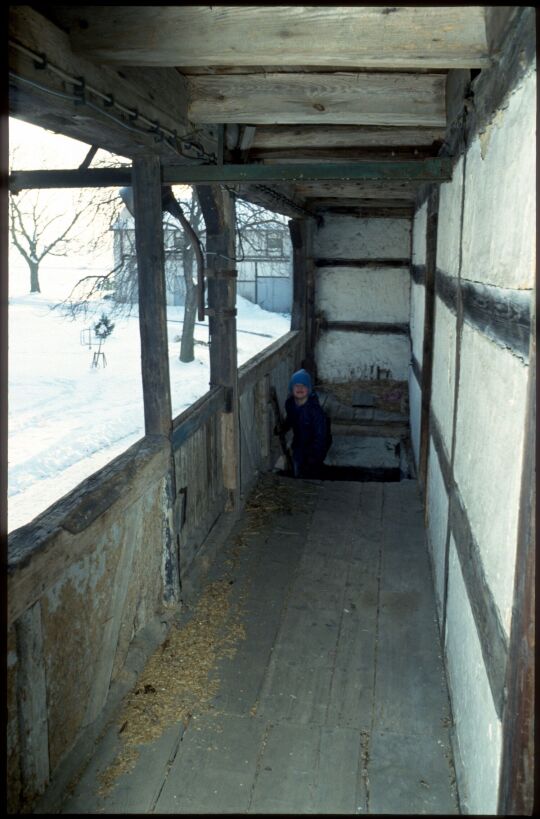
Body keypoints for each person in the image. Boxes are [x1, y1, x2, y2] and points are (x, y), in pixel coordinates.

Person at [280, 368, 331, 478]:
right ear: (291, 388)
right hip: (299, 444)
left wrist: (316, 456)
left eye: (304, 385)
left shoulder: (315, 411)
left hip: (315, 447)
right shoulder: (290, 404)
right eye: (296, 385)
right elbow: (291, 419)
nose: (300, 388)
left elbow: (321, 436)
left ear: (309, 389)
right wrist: (283, 428)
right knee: (298, 467)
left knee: (311, 472)